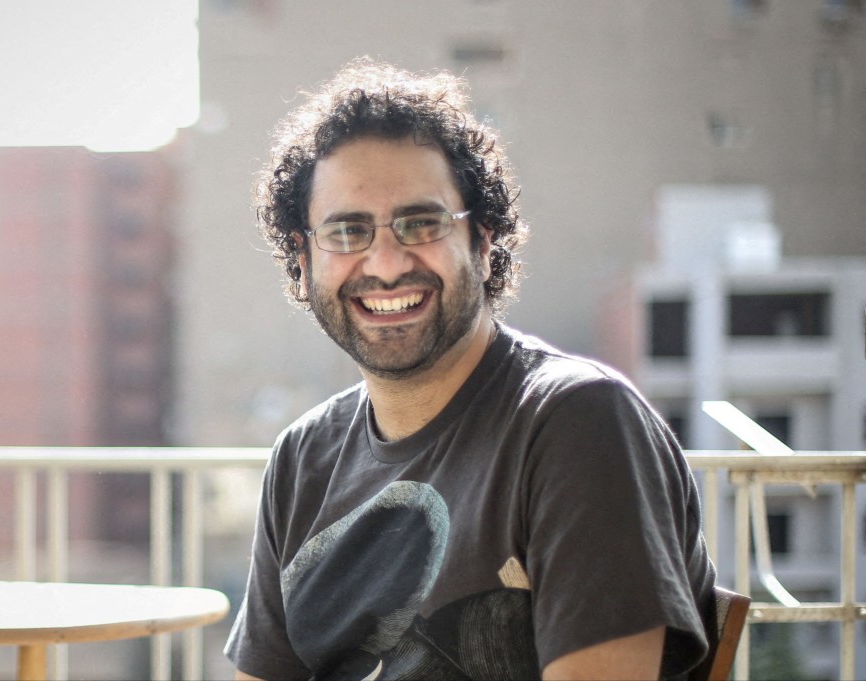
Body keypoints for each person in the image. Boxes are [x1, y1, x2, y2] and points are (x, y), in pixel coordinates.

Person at [225, 58, 716, 681]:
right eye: (347, 231)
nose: (384, 262)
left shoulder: (578, 424)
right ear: (303, 260)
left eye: (421, 223)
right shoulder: (303, 458)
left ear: (484, 242)